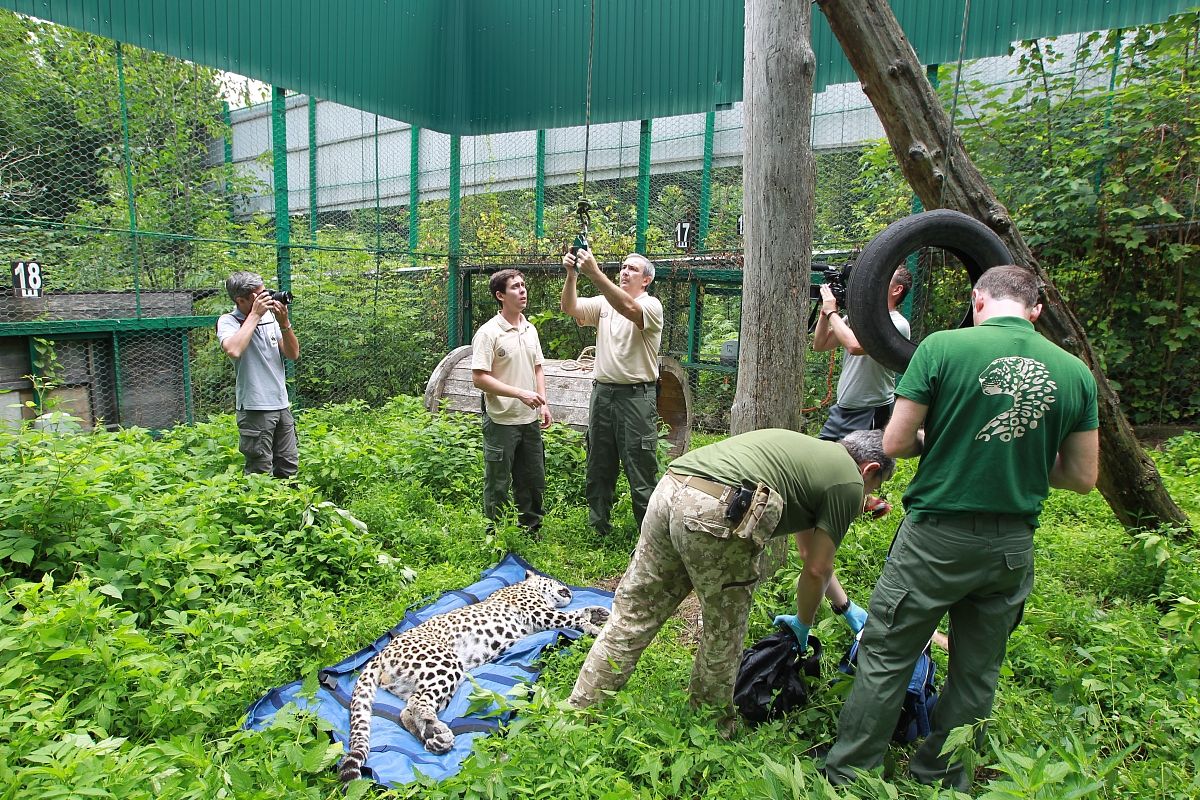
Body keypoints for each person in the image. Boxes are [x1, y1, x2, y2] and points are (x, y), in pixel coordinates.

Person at [824, 265, 1099, 791]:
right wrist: (1017, 456)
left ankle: (850, 774)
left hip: (935, 538)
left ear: (977, 301)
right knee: (976, 673)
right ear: (1035, 311)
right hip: (1011, 547)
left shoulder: (942, 348)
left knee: (887, 654)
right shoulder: (1074, 372)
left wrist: (953, 440)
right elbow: (1083, 477)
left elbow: (897, 442)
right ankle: (944, 775)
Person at [567, 428, 895, 735]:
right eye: (874, 487)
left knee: (632, 616)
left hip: (671, 487)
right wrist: (803, 624)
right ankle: (708, 729)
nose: (867, 495)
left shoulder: (810, 455)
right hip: (715, 510)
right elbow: (816, 570)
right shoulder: (849, 483)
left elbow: (809, 552)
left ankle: (577, 716)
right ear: (869, 470)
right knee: (722, 633)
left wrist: (845, 606)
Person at [560, 248, 664, 537]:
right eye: (623, 267)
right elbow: (570, 307)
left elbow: (629, 309)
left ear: (646, 280)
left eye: (632, 269)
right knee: (598, 462)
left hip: (636, 398)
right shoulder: (605, 303)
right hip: (602, 394)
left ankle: (649, 537)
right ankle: (598, 528)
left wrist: (593, 272)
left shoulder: (651, 306)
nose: (625, 272)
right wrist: (572, 276)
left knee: (640, 466)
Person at [470, 269, 552, 532]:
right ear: (500, 295)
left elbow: (538, 367)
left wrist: (543, 403)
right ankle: (495, 535)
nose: (523, 290)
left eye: (523, 285)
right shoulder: (488, 333)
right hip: (501, 420)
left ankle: (531, 530)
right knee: (498, 482)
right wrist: (519, 393)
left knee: (532, 480)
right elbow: (479, 378)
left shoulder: (530, 329)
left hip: (529, 420)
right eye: (515, 287)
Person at [216, 271, 301, 478]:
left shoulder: (270, 317)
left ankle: (289, 508)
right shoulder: (228, 321)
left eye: (266, 292)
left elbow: (293, 354)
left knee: (289, 466)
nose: (267, 298)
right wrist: (254, 315)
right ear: (241, 300)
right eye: (260, 295)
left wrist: (284, 324)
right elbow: (234, 350)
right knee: (260, 471)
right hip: (255, 408)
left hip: (281, 403)